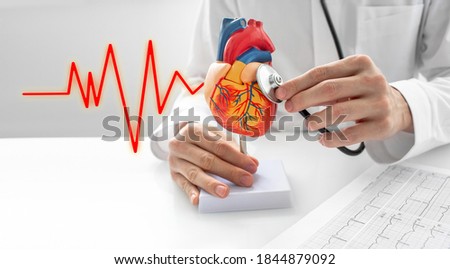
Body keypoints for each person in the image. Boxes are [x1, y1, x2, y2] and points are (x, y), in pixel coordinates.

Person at [151, 0, 450, 205]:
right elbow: (204, 77)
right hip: (259, 190)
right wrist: (192, 128)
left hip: (391, 182)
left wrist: (403, 105)